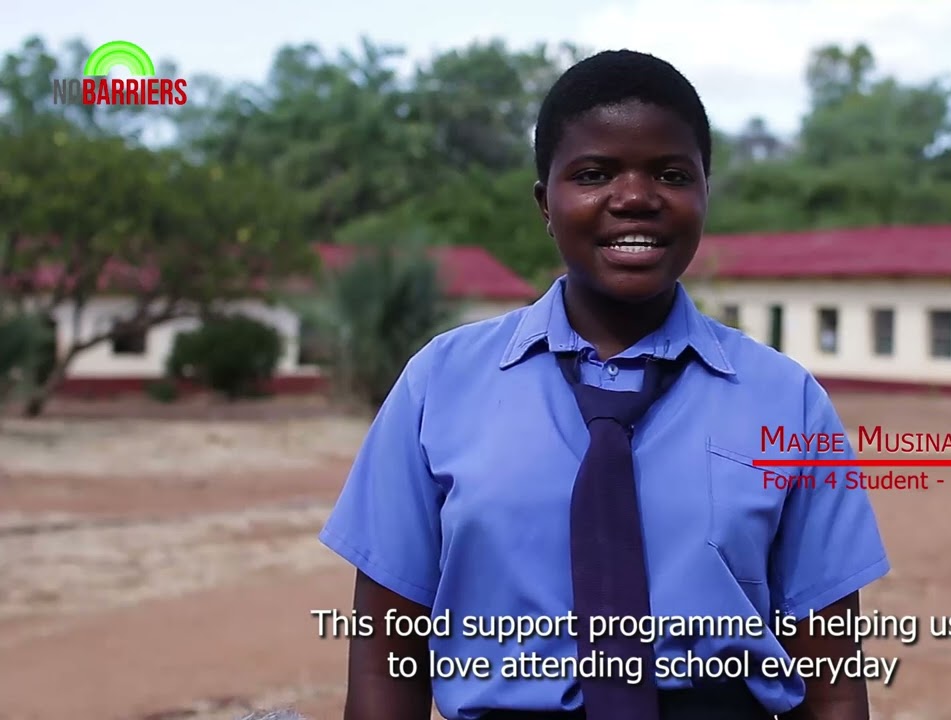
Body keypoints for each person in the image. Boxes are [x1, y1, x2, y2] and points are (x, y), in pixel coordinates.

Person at [318, 49, 890, 720]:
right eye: (594, 174)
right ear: (545, 202)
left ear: (705, 193)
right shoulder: (438, 387)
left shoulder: (786, 402)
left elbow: (833, 685)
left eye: (671, 174)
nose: (635, 198)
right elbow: (388, 660)